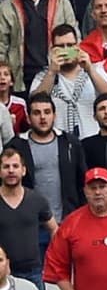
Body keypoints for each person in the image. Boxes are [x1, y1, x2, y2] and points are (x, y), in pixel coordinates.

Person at [0, 0, 78, 94]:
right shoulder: (7, 7)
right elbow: (2, 46)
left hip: (58, 73)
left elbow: (74, 37)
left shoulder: (60, 2)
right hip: (22, 77)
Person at [12, 92, 87, 224]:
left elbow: (82, 180)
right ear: (28, 118)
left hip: (68, 220)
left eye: (47, 112)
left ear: (54, 116)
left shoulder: (70, 143)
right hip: (30, 223)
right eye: (36, 113)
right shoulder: (16, 146)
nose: (42, 117)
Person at [0, 147, 57, 290]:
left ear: (23, 170)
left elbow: (54, 229)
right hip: (3, 275)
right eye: (6, 166)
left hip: (34, 274)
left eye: (15, 166)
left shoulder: (37, 199)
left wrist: (52, 260)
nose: (11, 170)